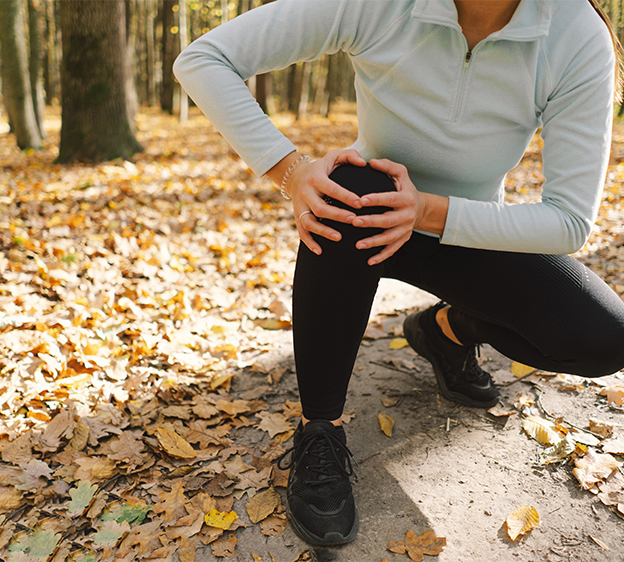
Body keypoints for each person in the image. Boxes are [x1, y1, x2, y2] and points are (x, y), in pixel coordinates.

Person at [174, 0, 624, 547]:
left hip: (468, 230)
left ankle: (445, 332)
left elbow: (569, 221)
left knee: (606, 338)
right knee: (353, 189)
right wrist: (291, 173)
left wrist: (429, 211)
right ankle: (321, 430)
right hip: (368, 218)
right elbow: (204, 58)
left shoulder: (575, 33)